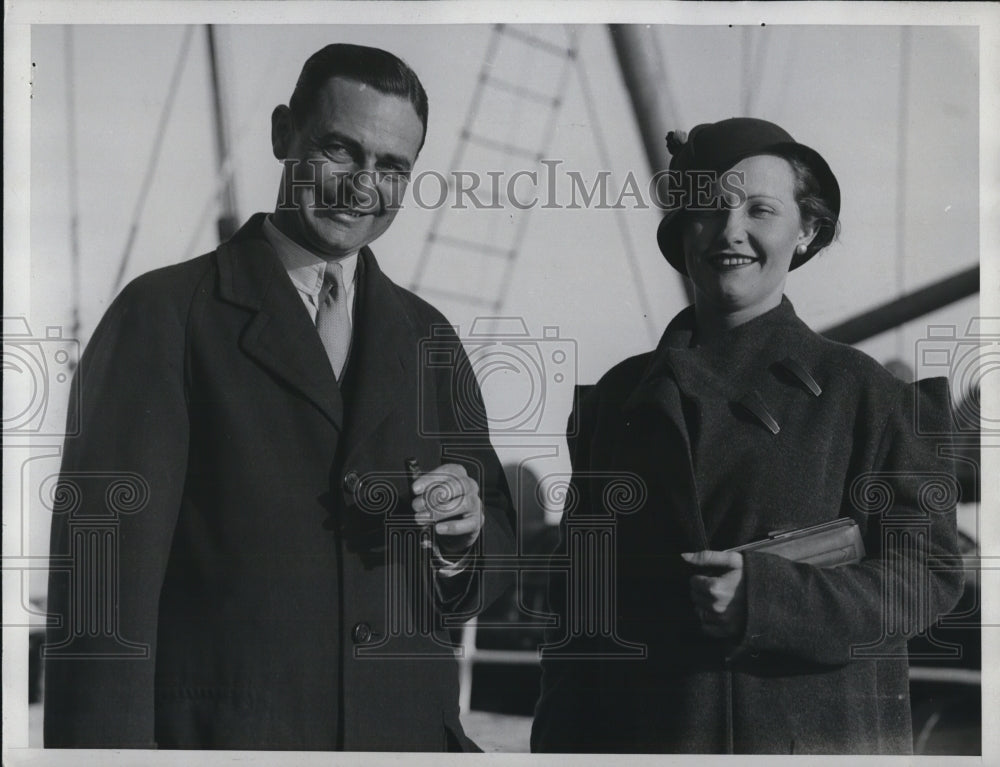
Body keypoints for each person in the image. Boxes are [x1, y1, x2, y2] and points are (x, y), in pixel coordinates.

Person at [43, 43, 516, 751]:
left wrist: (464, 537)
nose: (363, 185)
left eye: (392, 168)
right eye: (340, 149)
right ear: (279, 134)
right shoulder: (164, 316)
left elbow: (493, 560)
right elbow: (99, 614)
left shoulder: (429, 338)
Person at [531, 118, 963, 754]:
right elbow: (579, 615)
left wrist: (770, 600)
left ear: (807, 230)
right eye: (707, 207)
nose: (731, 230)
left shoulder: (867, 395)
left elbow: (929, 571)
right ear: (683, 229)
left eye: (761, 209)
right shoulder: (617, 402)